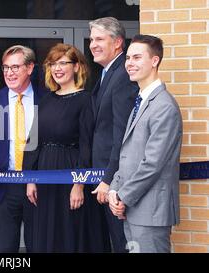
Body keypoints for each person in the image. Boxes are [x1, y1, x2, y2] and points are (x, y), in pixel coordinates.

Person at [24, 43, 110, 252]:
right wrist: (30, 179)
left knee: (71, 231)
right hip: (45, 175)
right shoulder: (45, 100)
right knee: (48, 234)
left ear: (77, 67)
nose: (57, 68)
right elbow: (32, 141)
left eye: (63, 63)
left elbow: (86, 144)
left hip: (71, 173)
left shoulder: (86, 100)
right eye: (53, 64)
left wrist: (79, 184)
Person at [108, 34, 182, 253]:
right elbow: (128, 154)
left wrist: (123, 196)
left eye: (137, 57)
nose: (130, 63)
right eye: (128, 57)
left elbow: (153, 163)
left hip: (150, 211)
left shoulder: (164, 106)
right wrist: (114, 189)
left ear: (155, 61)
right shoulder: (140, 102)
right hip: (132, 208)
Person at [0, 45, 44, 253]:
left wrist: (36, 177)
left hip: (39, 187)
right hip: (3, 188)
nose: (9, 73)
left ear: (30, 68)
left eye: (15, 67)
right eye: (5, 68)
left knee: (40, 247)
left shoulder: (48, 99)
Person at [88, 17, 139, 252]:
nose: (92, 45)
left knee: (123, 244)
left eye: (99, 39)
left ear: (118, 42)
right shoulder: (107, 73)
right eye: (91, 40)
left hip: (116, 182)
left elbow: (122, 136)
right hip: (105, 179)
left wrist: (109, 179)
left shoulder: (121, 76)